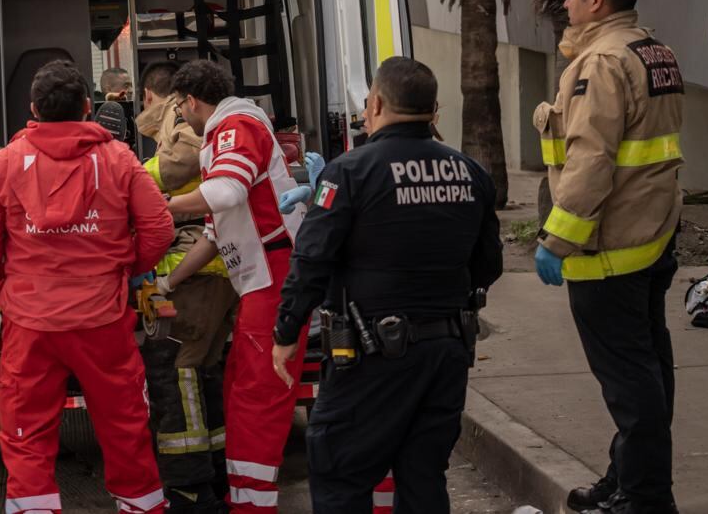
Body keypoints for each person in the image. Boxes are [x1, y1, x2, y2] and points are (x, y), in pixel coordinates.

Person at [273, 57, 502, 514]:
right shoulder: (469, 172)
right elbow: (488, 264)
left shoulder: (350, 172)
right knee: (423, 476)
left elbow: (311, 259)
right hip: (446, 352)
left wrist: (286, 332)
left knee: (340, 473)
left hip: (371, 355)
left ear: (375, 103)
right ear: (434, 111)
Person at [0, 60, 174, 514]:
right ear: (86, 106)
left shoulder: (2, 165)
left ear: (34, 108)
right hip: (103, 320)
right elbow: (159, 228)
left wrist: (8, 278)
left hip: (29, 323)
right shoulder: (119, 159)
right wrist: (125, 268)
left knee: (26, 439)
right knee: (125, 429)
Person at [533, 0, 684, 514]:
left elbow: (591, 161)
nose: (565, 3)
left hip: (611, 248)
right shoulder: (653, 50)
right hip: (653, 233)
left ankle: (643, 497)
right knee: (648, 367)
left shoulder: (600, 64)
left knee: (629, 380)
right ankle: (627, 477)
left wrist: (556, 240)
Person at [162, 60, 308, 513]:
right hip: (264, 282)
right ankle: (245, 498)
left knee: (256, 400)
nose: (180, 120)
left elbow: (226, 194)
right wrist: (167, 281)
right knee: (241, 389)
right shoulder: (231, 131)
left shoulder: (234, 124)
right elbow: (214, 232)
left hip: (275, 279)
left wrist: (159, 206)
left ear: (189, 101)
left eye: (178, 109)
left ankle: (252, 505)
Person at [135, 61, 238, 513]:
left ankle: (191, 490)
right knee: (204, 373)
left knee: (176, 373)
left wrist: (141, 180)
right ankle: (215, 475)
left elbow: (185, 160)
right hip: (207, 267)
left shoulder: (180, 116)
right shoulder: (216, 124)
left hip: (197, 272)